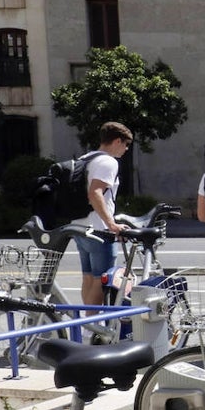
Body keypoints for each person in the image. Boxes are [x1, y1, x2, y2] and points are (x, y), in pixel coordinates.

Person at [73, 120, 132, 308]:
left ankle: (87, 325)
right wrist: (112, 225)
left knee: (88, 277)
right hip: (99, 229)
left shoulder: (86, 158)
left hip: (79, 225)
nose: (126, 149)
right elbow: (95, 192)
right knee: (102, 279)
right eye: (126, 144)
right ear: (117, 141)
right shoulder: (108, 162)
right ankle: (92, 328)